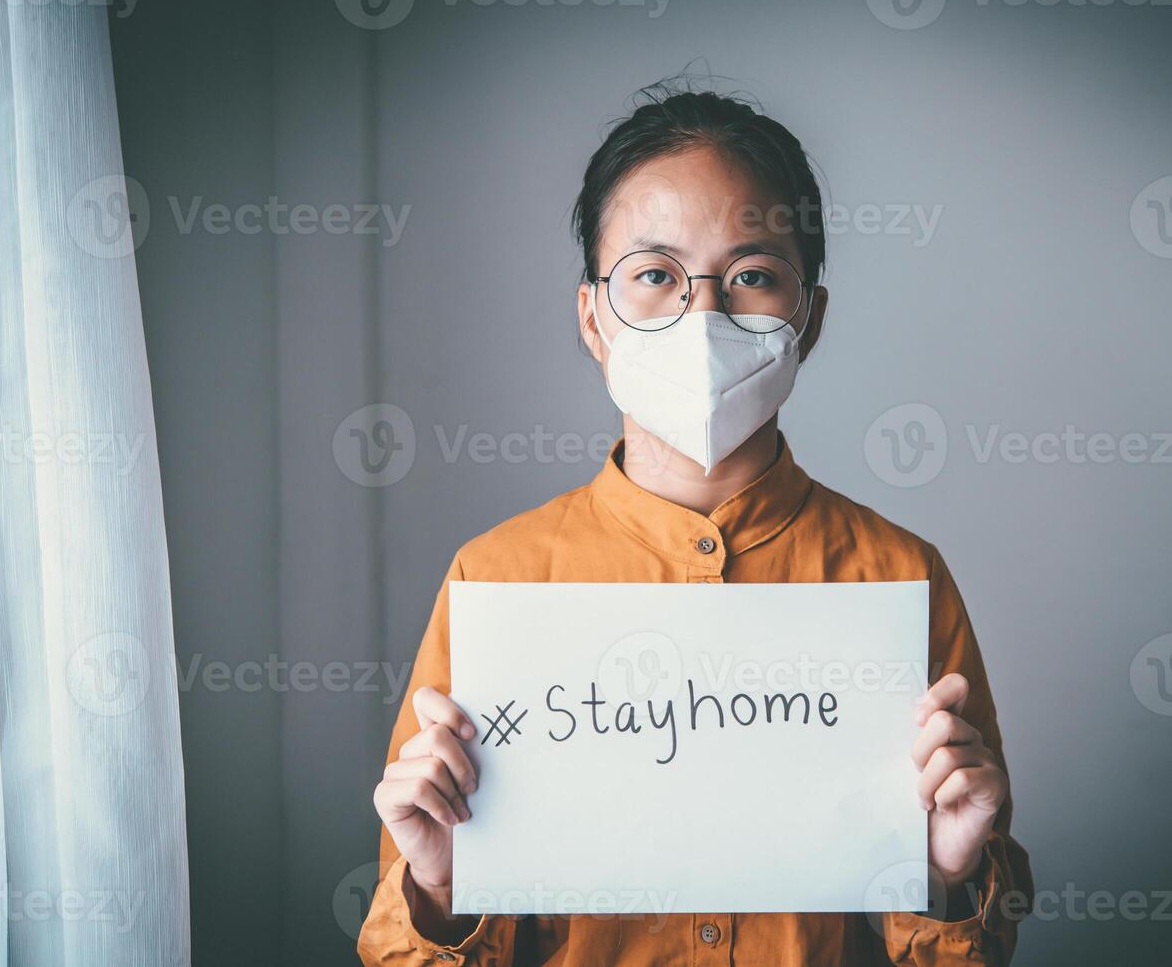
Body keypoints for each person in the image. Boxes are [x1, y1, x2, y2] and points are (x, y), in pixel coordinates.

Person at [358, 83, 1033, 966]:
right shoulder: (498, 579)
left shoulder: (898, 576)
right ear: (593, 319)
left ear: (810, 319)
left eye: (752, 275)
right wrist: (443, 886)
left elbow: (975, 952)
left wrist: (944, 874)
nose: (703, 316)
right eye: (655, 275)